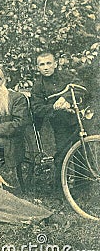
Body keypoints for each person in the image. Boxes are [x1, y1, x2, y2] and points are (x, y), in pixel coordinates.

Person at [30, 53, 84, 191]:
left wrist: (66, 99)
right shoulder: (38, 86)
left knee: (82, 152)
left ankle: (83, 187)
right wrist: (53, 106)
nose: (46, 67)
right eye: (42, 64)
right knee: (62, 154)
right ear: (38, 67)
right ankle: (61, 191)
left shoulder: (66, 76)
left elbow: (81, 87)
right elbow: (37, 108)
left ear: (55, 64)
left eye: (49, 63)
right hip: (58, 124)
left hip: (77, 120)